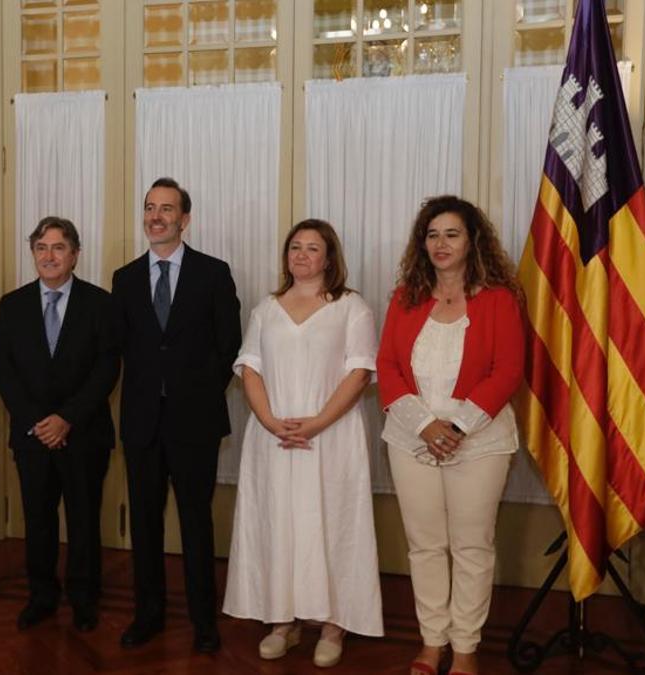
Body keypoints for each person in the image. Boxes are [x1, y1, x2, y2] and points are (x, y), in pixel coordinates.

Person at [376, 195, 525, 675]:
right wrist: (425, 425)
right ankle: (432, 641)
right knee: (424, 544)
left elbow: (508, 371)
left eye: (452, 234)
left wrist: (457, 426)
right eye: (432, 234)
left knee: (471, 545)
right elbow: (387, 366)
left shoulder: (499, 297)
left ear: (472, 240)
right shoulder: (406, 296)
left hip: (478, 441)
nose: (440, 244)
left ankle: (465, 648)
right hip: (411, 436)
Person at [223, 220, 382, 668]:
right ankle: (283, 620)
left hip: (330, 436)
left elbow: (359, 373)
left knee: (332, 522)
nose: (302, 255)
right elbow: (249, 369)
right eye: (295, 246)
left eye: (313, 248)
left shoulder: (351, 307)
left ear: (329, 258)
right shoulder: (266, 308)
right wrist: (273, 421)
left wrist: (315, 424)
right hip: (274, 437)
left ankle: (333, 624)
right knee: (280, 523)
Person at [110, 177, 241, 653]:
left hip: (195, 422)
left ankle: (204, 622)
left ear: (185, 219)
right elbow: (121, 347)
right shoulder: (123, 279)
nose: (156, 216)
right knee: (144, 523)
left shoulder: (213, 273)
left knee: (195, 522)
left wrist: (194, 393)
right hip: (142, 422)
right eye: (149, 207)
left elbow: (228, 345)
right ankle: (148, 615)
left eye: (167, 209)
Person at [0, 216, 119, 633]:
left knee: (83, 520)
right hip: (31, 437)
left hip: (83, 433)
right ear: (33, 254)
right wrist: (37, 422)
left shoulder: (100, 303)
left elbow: (106, 370)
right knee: (38, 519)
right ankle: (41, 596)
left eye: (58, 247)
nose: (49, 256)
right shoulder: (12, 305)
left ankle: (84, 598)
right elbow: (3, 372)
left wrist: (66, 418)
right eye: (41, 248)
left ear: (75, 254)